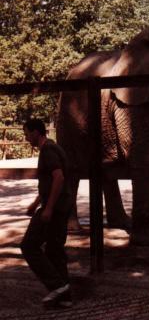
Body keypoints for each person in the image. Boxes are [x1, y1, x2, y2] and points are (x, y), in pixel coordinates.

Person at [20, 118, 72, 308]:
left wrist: (48, 208)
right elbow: (50, 183)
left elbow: (58, 178)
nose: (26, 138)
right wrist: (36, 203)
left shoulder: (48, 150)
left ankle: (57, 286)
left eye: (27, 133)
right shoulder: (52, 147)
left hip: (55, 208)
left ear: (36, 132)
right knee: (54, 249)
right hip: (61, 205)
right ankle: (65, 297)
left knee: (28, 245)